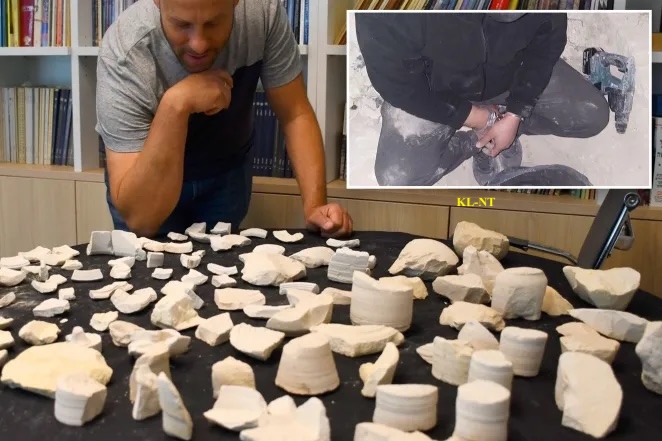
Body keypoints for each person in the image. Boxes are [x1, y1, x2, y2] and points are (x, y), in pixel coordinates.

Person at [95, 0, 353, 238]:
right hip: (144, 176)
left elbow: (294, 113)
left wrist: (315, 207)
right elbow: (141, 220)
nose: (199, 44)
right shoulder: (124, 50)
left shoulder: (262, 13)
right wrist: (175, 105)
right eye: (181, 25)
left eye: (213, 23)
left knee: (222, 265)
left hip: (227, 169)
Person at [354, 12, 610, 186]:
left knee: (591, 115)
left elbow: (546, 45)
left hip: (510, 75)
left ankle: (502, 129)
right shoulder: (391, 15)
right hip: (433, 91)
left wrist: (516, 112)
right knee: (398, 179)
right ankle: (477, 141)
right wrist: (477, 118)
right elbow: (398, 85)